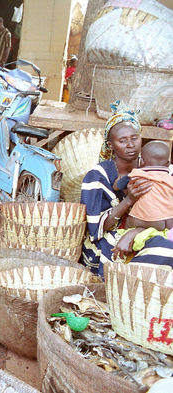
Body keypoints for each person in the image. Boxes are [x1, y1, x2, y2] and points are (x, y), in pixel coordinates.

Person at [80, 101, 173, 276]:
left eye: (134, 138)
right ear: (110, 145)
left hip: (154, 232)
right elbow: (97, 229)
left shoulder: (156, 167)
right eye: (122, 140)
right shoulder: (97, 176)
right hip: (111, 241)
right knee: (166, 250)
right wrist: (129, 200)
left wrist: (138, 231)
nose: (130, 145)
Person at [113, 141, 173, 233]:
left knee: (129, 224)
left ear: (141, 161)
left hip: (143, 220)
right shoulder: (170, 179)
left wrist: (119, 179)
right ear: (168, 163)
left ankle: (126, 236)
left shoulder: (137, 174)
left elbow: (117, 186)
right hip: (168, 221)